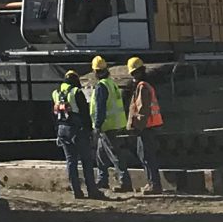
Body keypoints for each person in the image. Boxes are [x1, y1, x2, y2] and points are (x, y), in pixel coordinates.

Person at [50, 68, 99, 199]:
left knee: (71, 161)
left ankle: (76, 191)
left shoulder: (56, 93)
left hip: (62, 129)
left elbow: (53, 114)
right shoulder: (76, 92)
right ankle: (92, 190)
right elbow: (85, 113)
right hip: (77, 130)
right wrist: (90, 130)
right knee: (86, 160)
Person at [88, 54, 132, 193]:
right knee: (101, 154)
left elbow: (100, 108)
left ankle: (125, 182)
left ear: (95, 71)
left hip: (107, 126)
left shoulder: (101, 86)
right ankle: (102, 180)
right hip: (113, 124)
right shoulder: (111, 83)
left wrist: (97, 125)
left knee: (115, 154)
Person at [125, 56, 165, 193]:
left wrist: (137, 127)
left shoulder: (142, 87)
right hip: (148, 126)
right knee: (145, 155)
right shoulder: (145, 85)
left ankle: (154, 185)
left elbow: (143, 110)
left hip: (146, 127)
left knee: (147, 156)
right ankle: (152, 183)